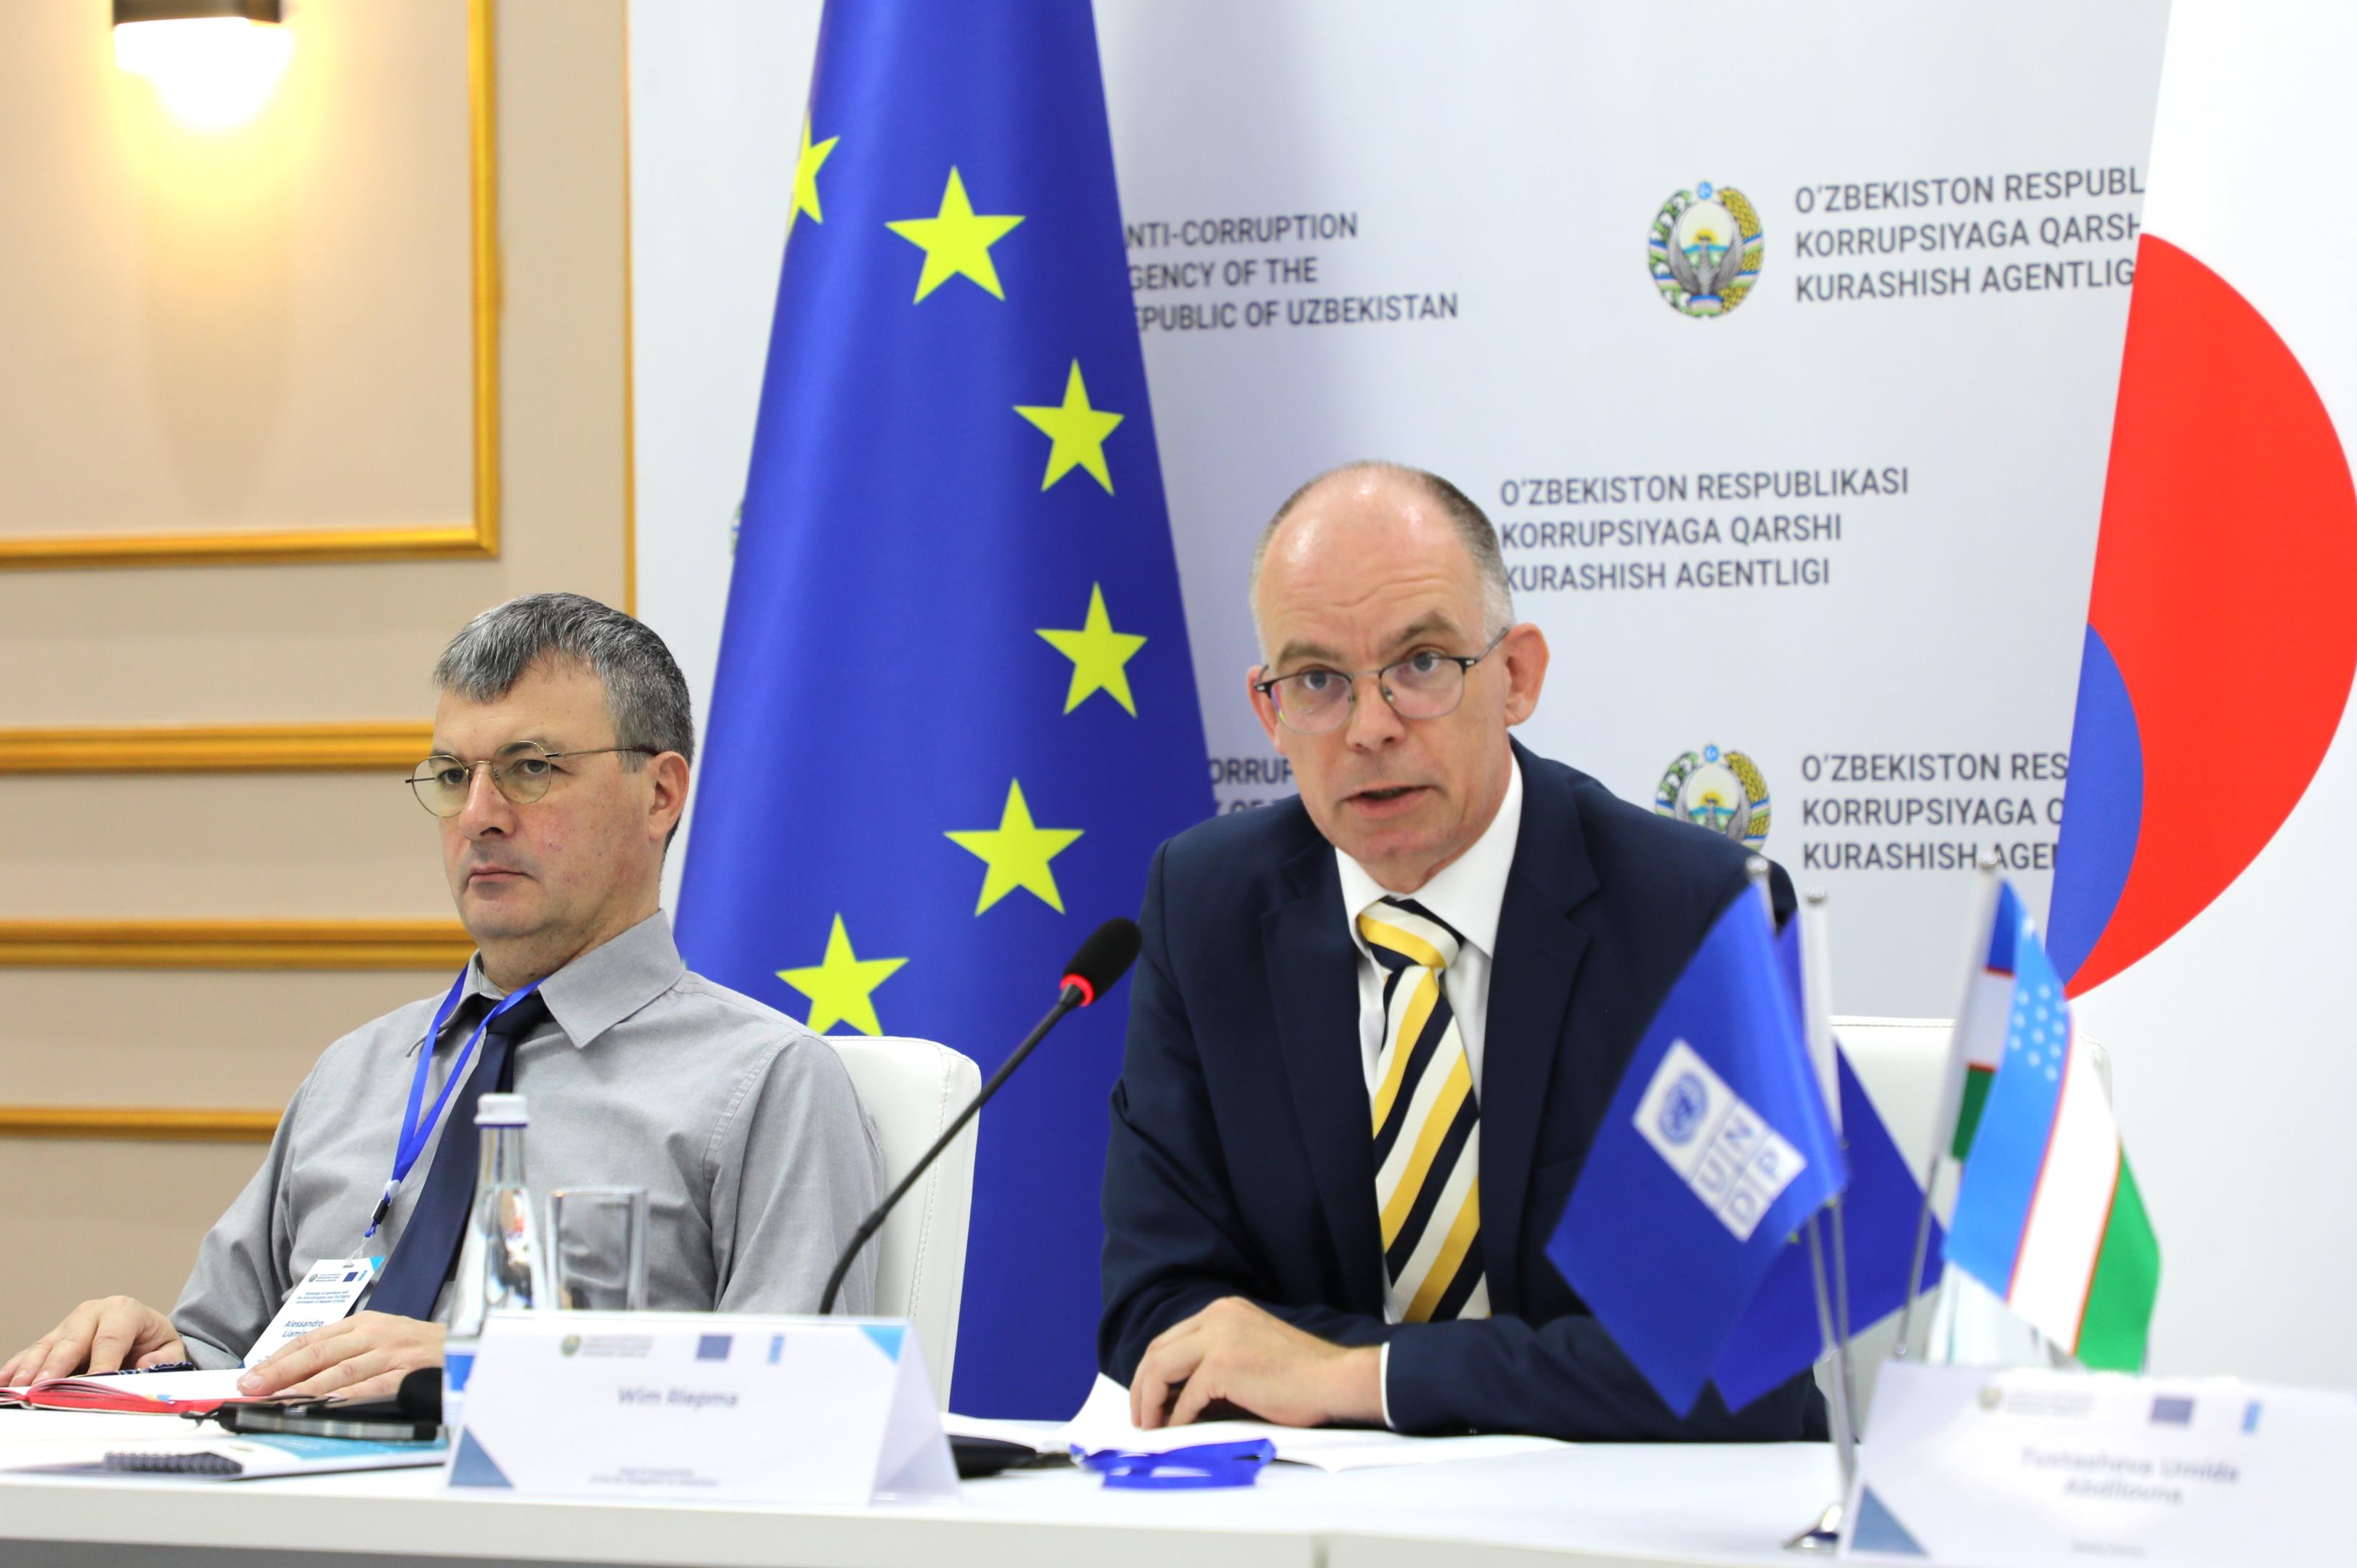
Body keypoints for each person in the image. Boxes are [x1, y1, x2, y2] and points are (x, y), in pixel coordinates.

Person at [1, 594, 884, 1402]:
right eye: (454, 776)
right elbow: (226, 1354)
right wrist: (153, 1357)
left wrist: (485, 1377)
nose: (480, 816)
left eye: (530, 768)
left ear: (660, 795)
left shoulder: (767, 1084)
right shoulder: (359, 1072)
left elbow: (801, 1409)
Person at [1098, 462, 1822, 1440]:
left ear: (1515, 675)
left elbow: (1737, 1362)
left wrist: (1356, 1376)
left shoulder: (1696, 917)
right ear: (1269, 711)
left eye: (1422, 665)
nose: (1369, 728)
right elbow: (1158, 1314)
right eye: (1316, 682)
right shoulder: (1206, 905)